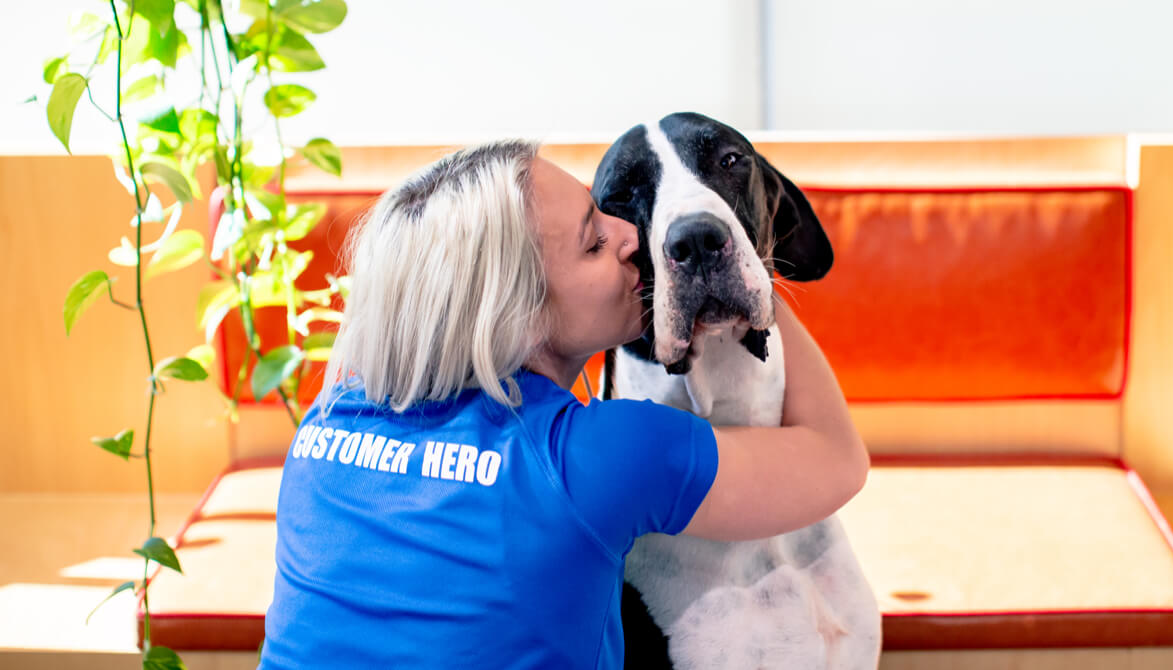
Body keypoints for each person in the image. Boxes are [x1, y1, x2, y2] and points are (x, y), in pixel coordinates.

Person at [258, 140, 868, 669]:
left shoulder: (323, 422)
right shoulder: (594, 457)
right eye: (594, 242)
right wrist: (741, 269)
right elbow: (838, 459)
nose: (633, 236)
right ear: (516, 316)